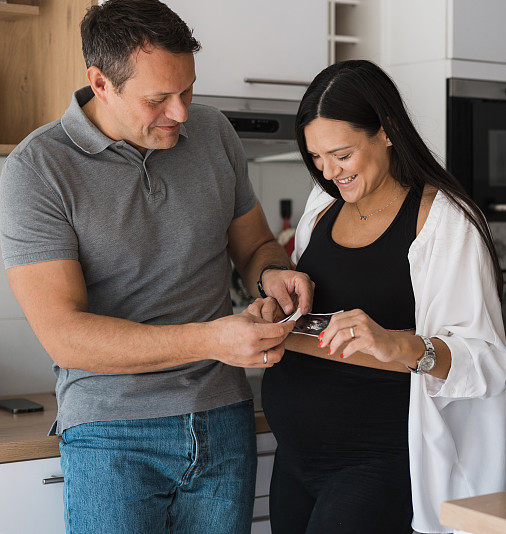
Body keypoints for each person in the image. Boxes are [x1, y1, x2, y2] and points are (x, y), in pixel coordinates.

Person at [0, 1, 312, 532]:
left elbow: (256, 243)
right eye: (158, 98)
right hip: (112, 435)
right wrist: (213, 340)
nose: (181, 112)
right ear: (100, 82)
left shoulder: (213, 133)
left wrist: (272, 274)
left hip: (222, 422)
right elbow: (66, 337)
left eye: (187, 90)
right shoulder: (38, 168)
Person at [255, 60, 506, 534]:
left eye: (342, 155)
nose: (328, 172)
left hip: (376, 466)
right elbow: (320, 325)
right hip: (297, 465)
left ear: (388, 130)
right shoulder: (321, 207)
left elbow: (487, 361)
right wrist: (276, 313)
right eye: (316, 158)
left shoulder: (443, 221)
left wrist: (397, 344)